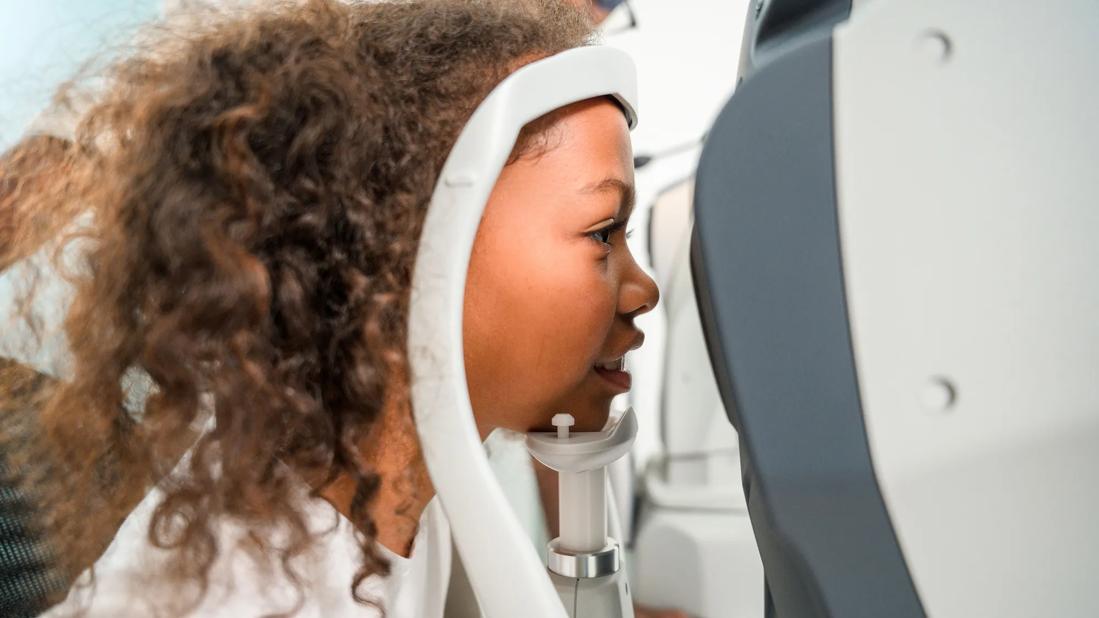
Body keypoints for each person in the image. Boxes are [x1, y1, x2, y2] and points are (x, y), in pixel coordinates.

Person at [0, 0, 663, 615]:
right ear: (412, 247)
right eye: (603, 232)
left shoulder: (411, 505)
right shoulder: (256, 590)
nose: (647, 291)